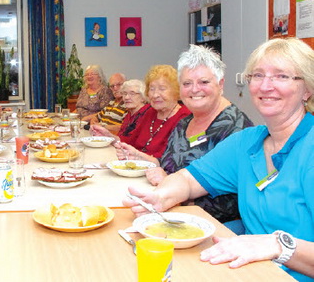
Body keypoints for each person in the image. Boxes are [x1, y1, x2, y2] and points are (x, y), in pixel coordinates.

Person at [123, 38, 314, 281]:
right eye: (257, 75)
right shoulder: (248, 142)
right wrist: (159, 198)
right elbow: (189, 179)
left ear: (307, 88)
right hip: (247, 268)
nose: (266, 86)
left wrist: (278, 245)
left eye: (282, 76)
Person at [116, 45, 254, 223]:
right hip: (167, 210)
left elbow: (230, 202)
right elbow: (169, 164)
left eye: (204, 82)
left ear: (220, 84)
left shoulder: (236, 129)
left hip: (208, 225)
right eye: (187, 83)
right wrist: (142, 158)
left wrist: (174, 188)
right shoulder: (184, 124)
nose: (195, 89)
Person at [93, 65, 190, 158]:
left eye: (162, 89)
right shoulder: (150, 112)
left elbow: (170, 158)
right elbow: (129, 142)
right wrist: (109, 136)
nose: (155, 94)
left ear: (176, 91)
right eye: (152, 89)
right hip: (135, 165)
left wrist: (137, 156)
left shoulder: (184, 117)